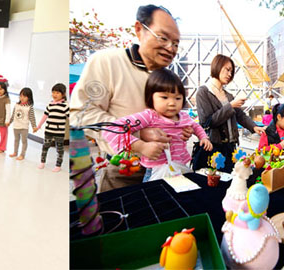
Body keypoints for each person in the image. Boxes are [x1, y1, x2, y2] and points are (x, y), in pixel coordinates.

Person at [69, 5, 191, 192]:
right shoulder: (107, 62)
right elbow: (81, 115)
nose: (170, 48)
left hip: (165, 171)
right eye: (163, 38)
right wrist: (138, 135)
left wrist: (179, 129)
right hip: (125, 172)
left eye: (175, 43)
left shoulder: (166, 77)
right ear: (139, 29)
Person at [101, 69, 212, 183]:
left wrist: (203, 137)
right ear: (151, 97)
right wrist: (141, 146)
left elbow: (195, 126)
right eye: (164, 97)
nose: (172, 103)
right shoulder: (149, 116)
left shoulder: (183, 116)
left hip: (180, 169)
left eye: (177, 98)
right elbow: (111, 129)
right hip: (155, 172)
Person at [192, 54, 264, 173]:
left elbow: (240, 115)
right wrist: (230, 106)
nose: (230, 74)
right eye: (227, 69)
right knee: (215, 182)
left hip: (230, 147)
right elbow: (207, 122)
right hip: (214, 147)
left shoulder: (228, 95)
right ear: (217, 66)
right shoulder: (203, 92)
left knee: (230, 180)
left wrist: (254, 126)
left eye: (231, 71)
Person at [36, 83, 70, 172]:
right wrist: (39, 126)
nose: (54, 95)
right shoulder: (50, 105)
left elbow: (70, 117)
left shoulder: (65, 105)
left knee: (59, 149)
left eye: (57, 93)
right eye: (53, 92)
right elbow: (45, 116)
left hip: (59, 132)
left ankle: (58, 165)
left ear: (63, 94)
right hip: (48, 130)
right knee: (45, 146)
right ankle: (42, 162)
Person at [7, 87, 37, 160]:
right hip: (16, 126)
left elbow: (32, 117)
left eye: (24, 96)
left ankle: (22, 154)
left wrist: (34, 126)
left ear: (29, 97)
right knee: (16, 140)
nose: (22, 98)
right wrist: (9, 122)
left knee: (24, 141)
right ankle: (15, 152)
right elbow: (13, 115)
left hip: (24, 127)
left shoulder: (29, 107)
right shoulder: (17, 105)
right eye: (20, 96)